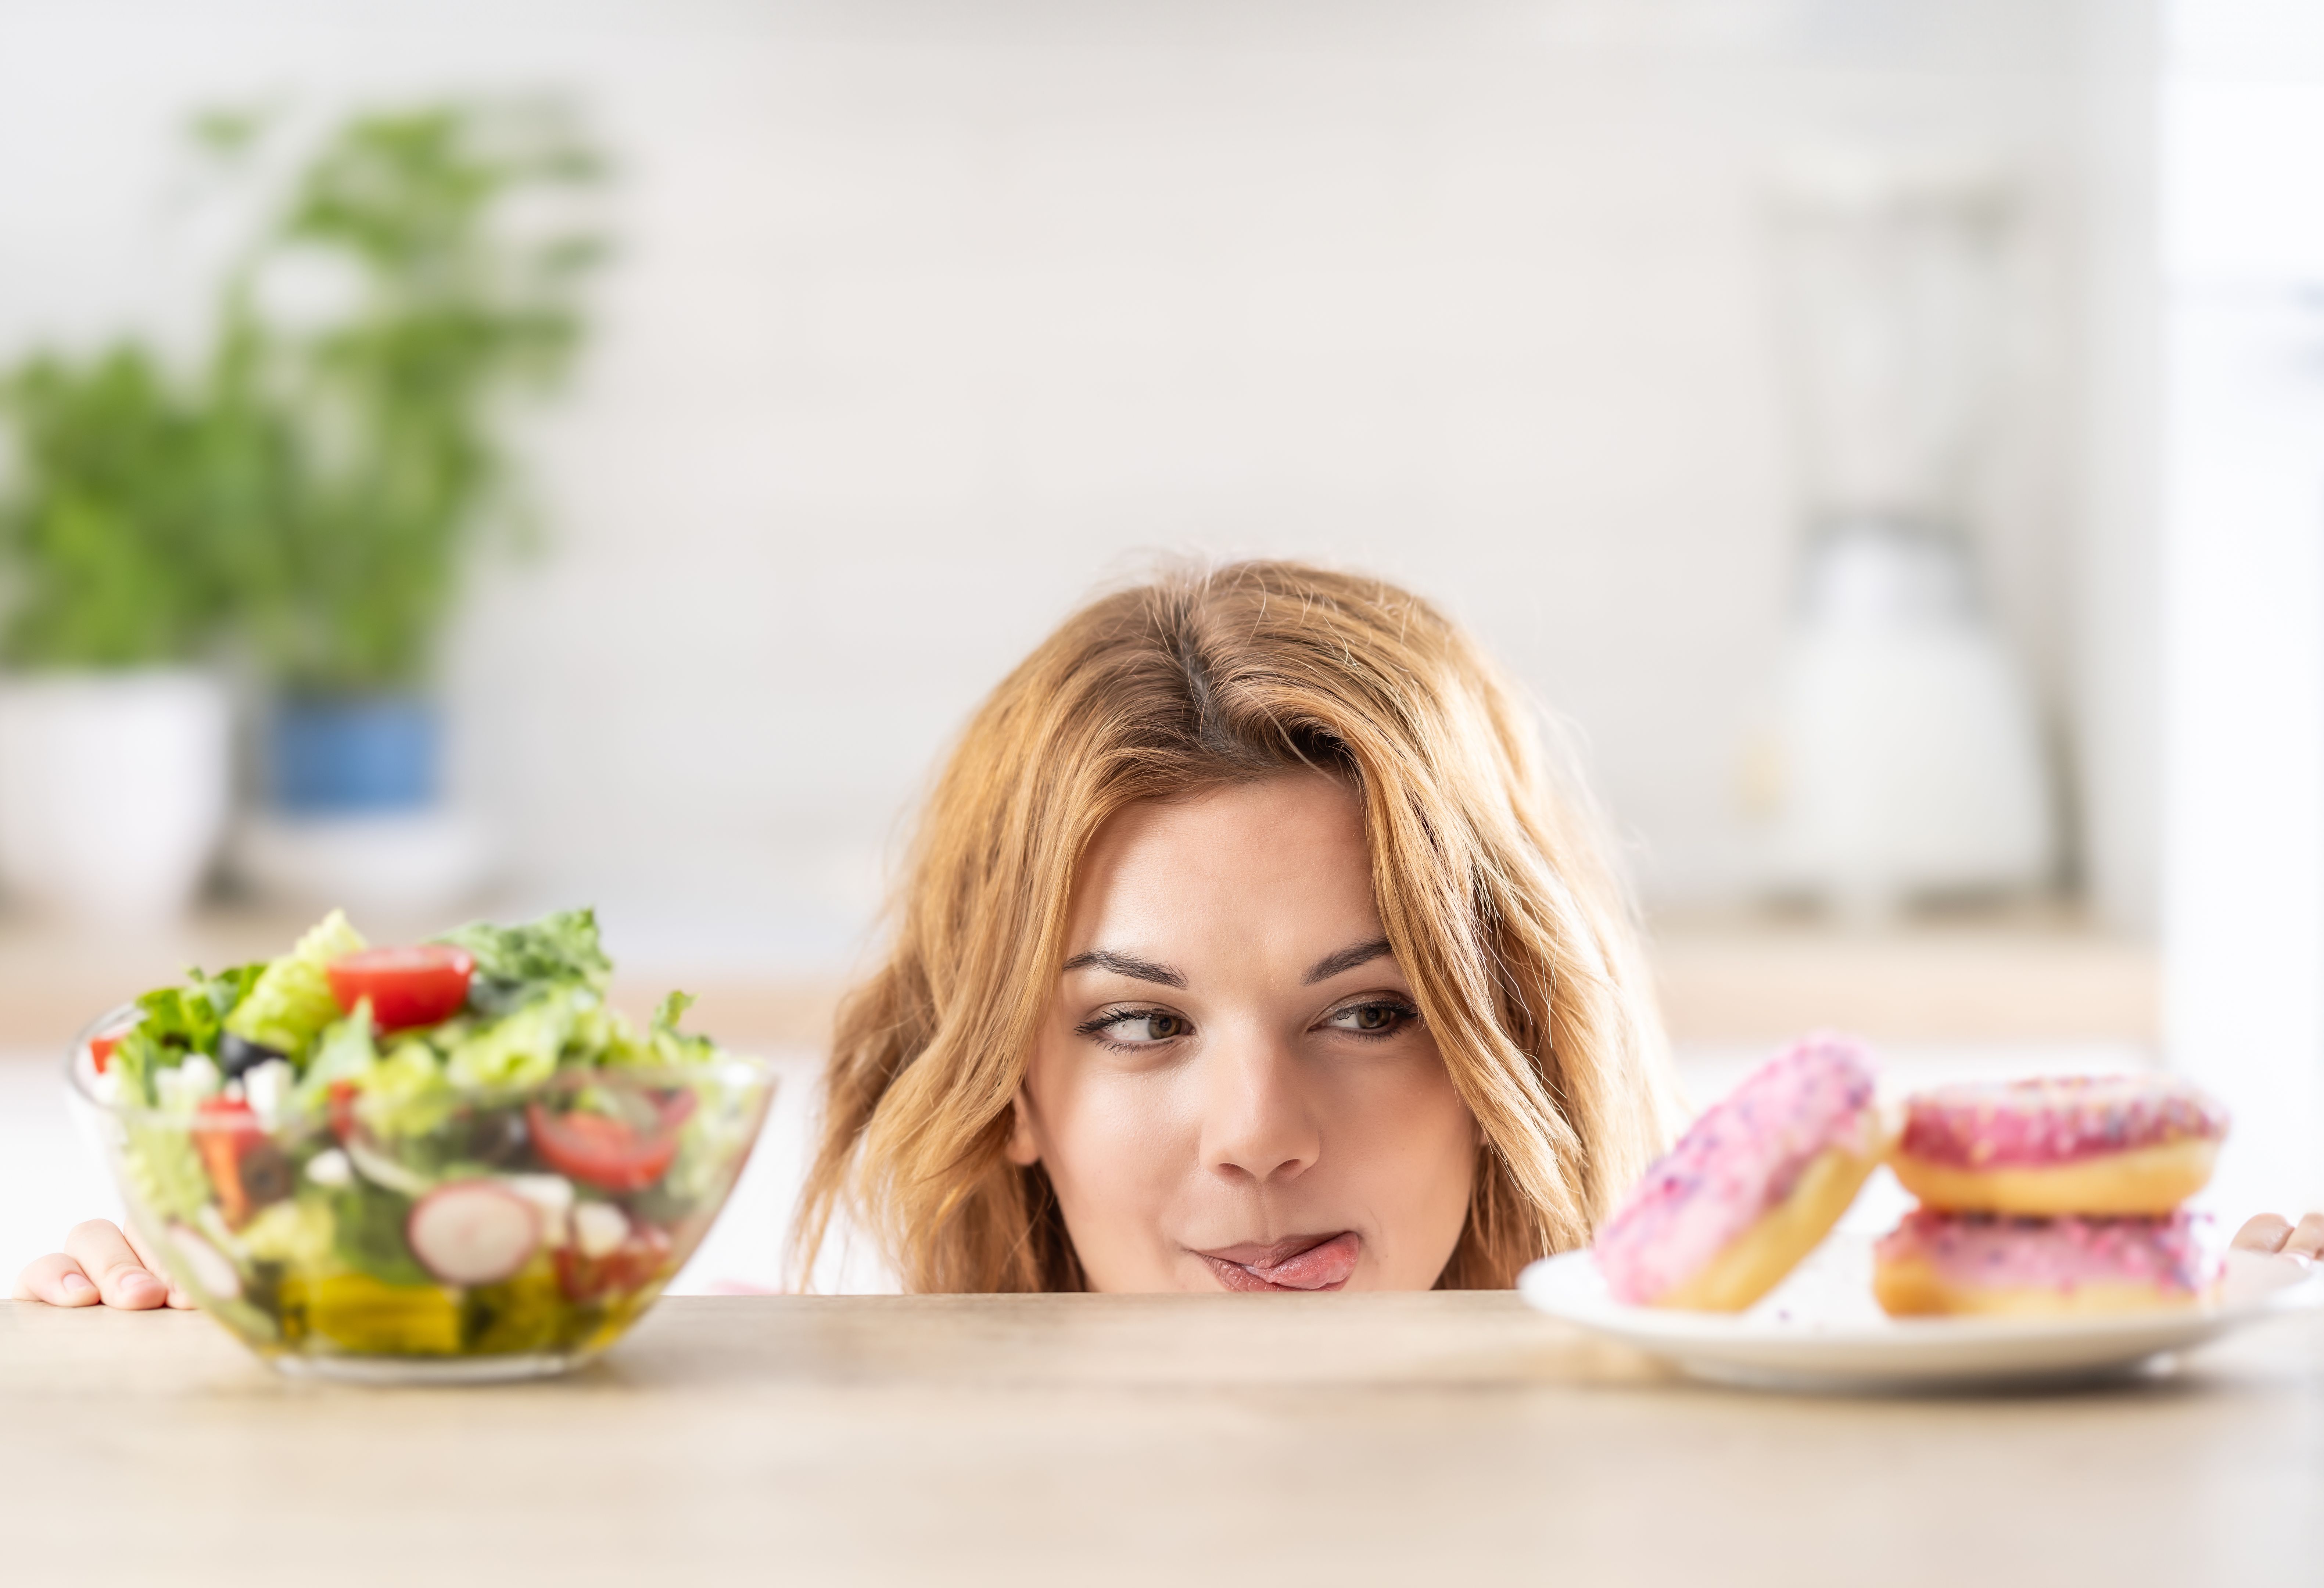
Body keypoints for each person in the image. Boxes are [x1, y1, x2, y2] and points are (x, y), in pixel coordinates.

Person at [16, 561, 2321, 1302]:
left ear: (1513, 1034)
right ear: (1006, 1083)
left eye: (1372, 1011)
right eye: (1136, 1027)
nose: (1255, 1135)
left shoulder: (1744, 1458)